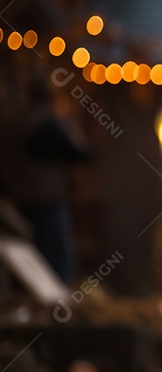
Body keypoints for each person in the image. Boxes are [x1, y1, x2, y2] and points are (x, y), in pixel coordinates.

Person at [0, 76, 92, 283]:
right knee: (56, 259)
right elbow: (83, 154)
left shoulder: (12, 124)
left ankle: (29, 302)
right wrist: (71, 125)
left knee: (29, 256)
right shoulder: (50, 125)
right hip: (48, 201)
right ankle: (55, 306)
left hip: (18, 201)